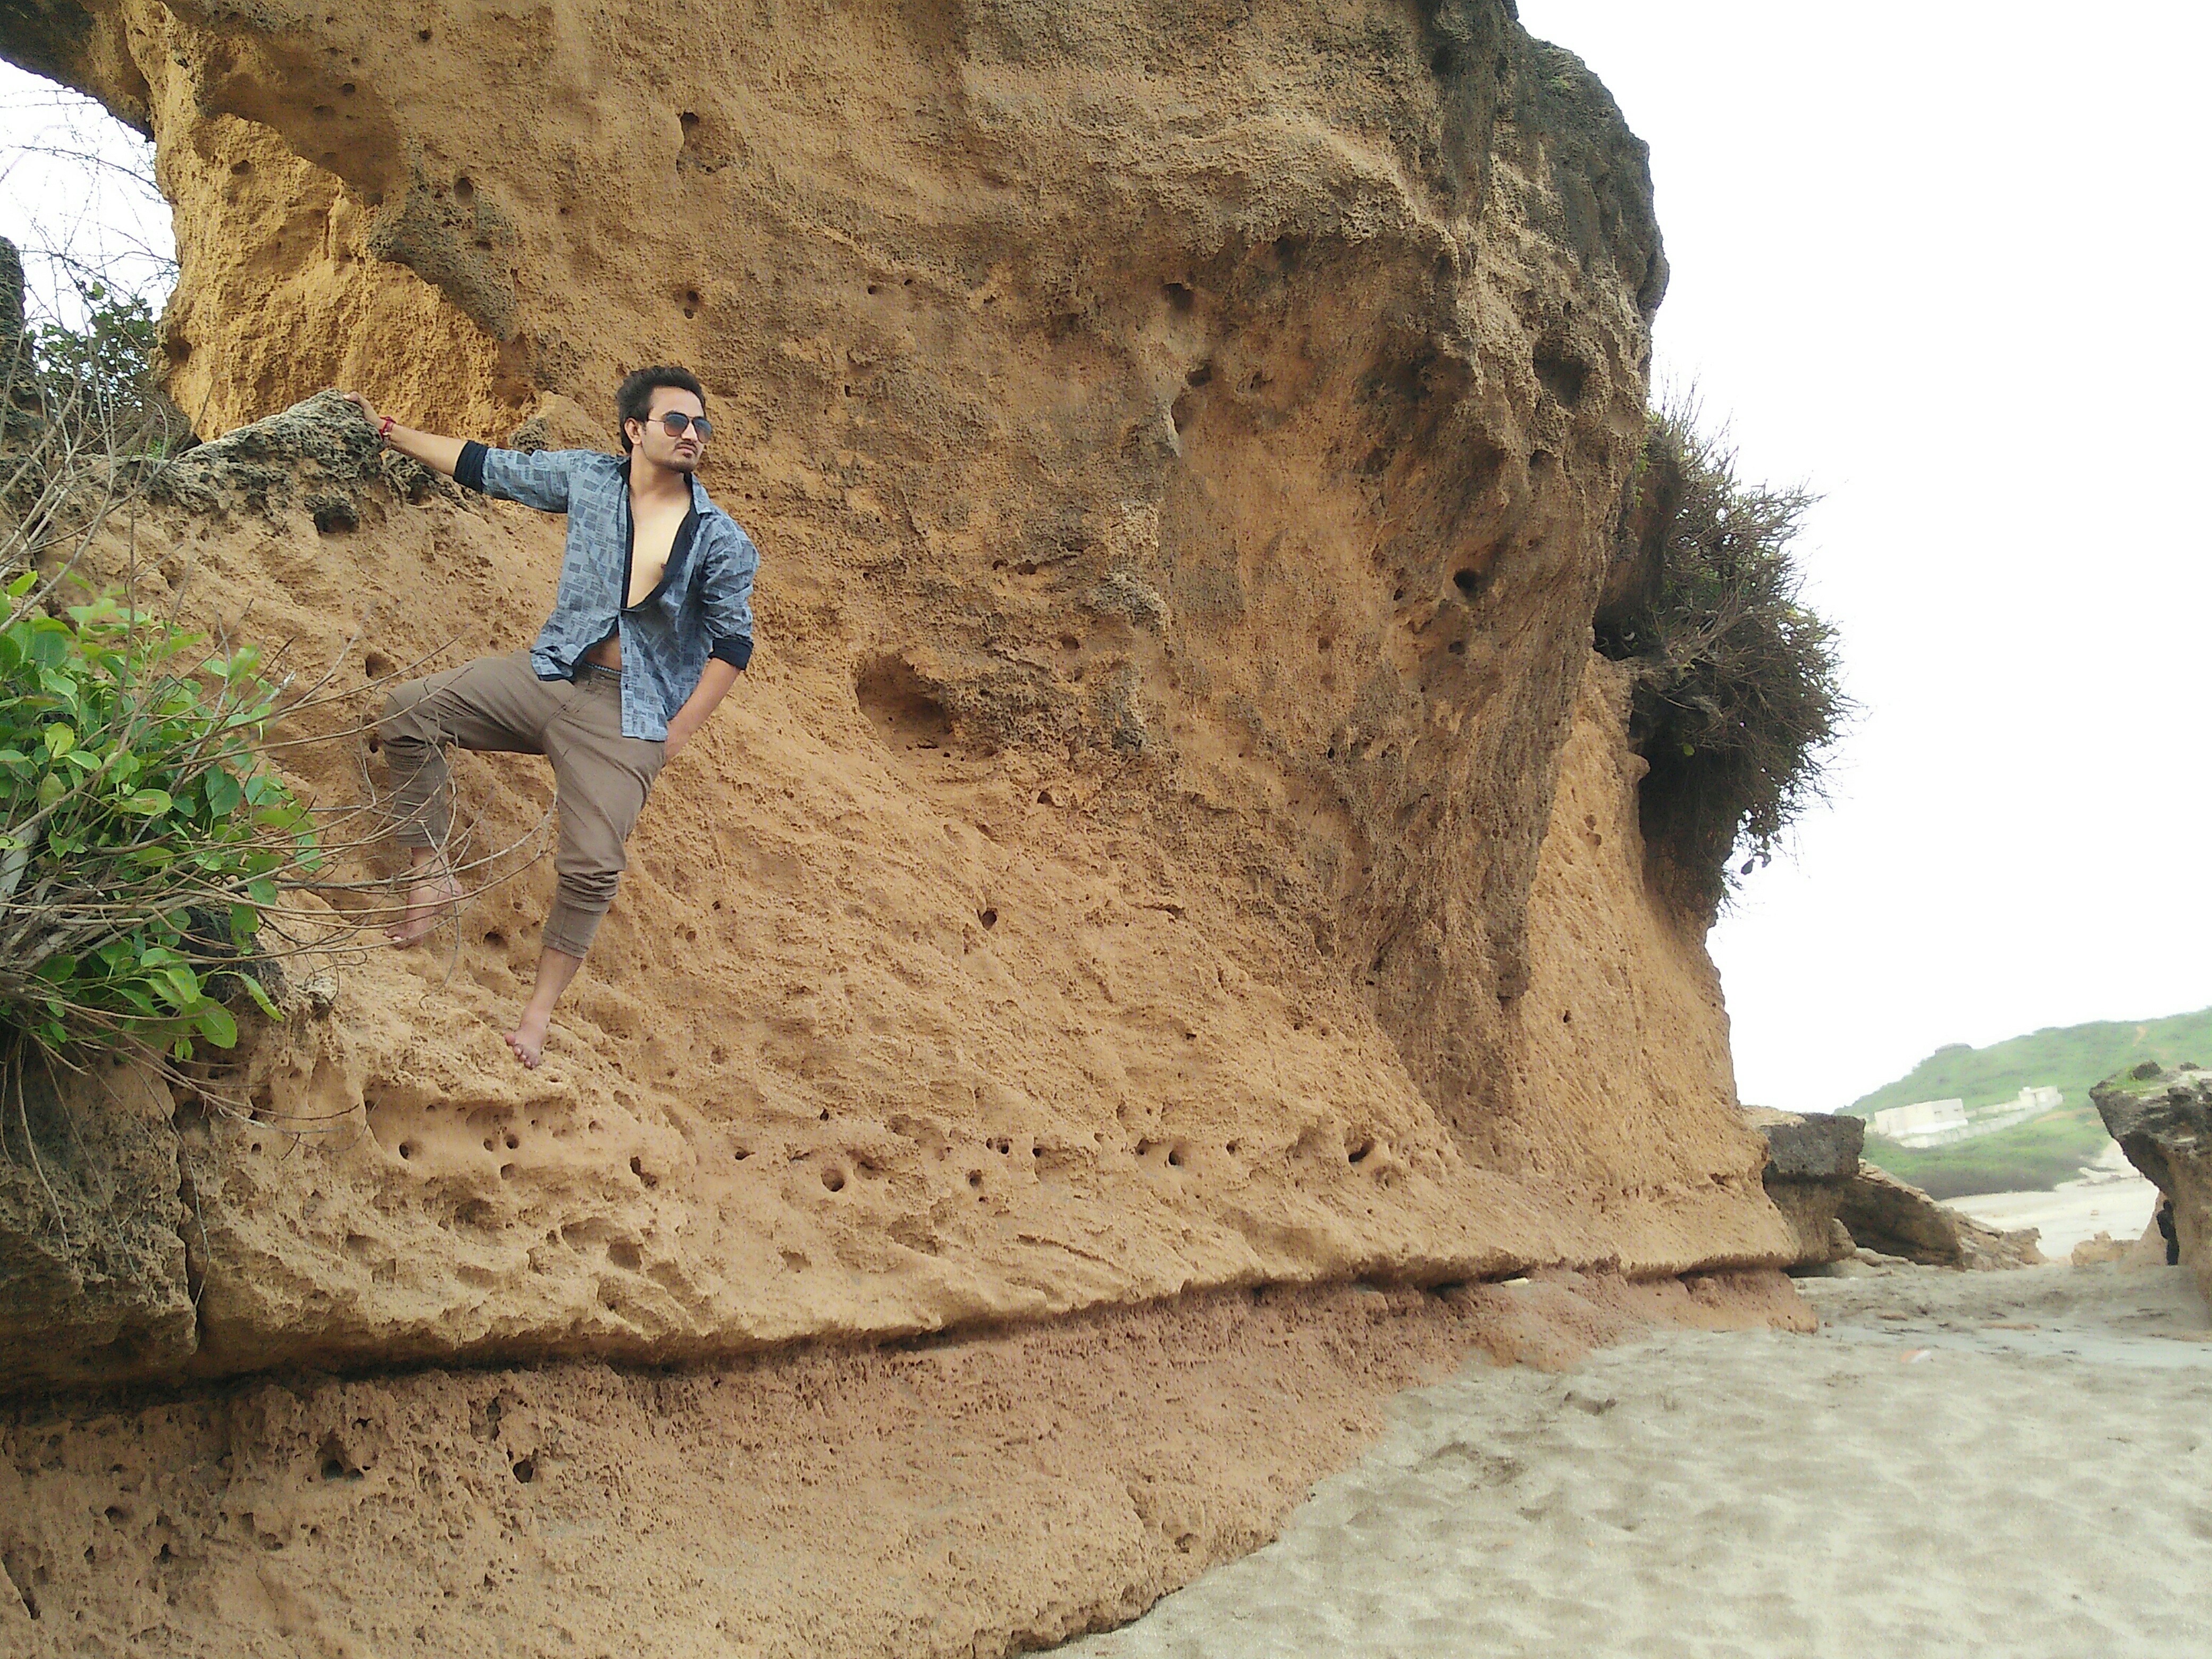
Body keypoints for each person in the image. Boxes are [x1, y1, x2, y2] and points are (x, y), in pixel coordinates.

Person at [338, 366, 757, 1067]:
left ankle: (535, 1017)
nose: (693, 435)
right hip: (550, 674)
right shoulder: (589, 479)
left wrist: (673, 737)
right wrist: (387, 429)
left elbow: (734, 645)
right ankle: (430, 870)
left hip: (626, 715)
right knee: (410, 712)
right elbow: (488, 468)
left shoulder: (721, 539)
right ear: (635, 430)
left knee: (593, 867)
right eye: (676, 421)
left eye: (701, 425)